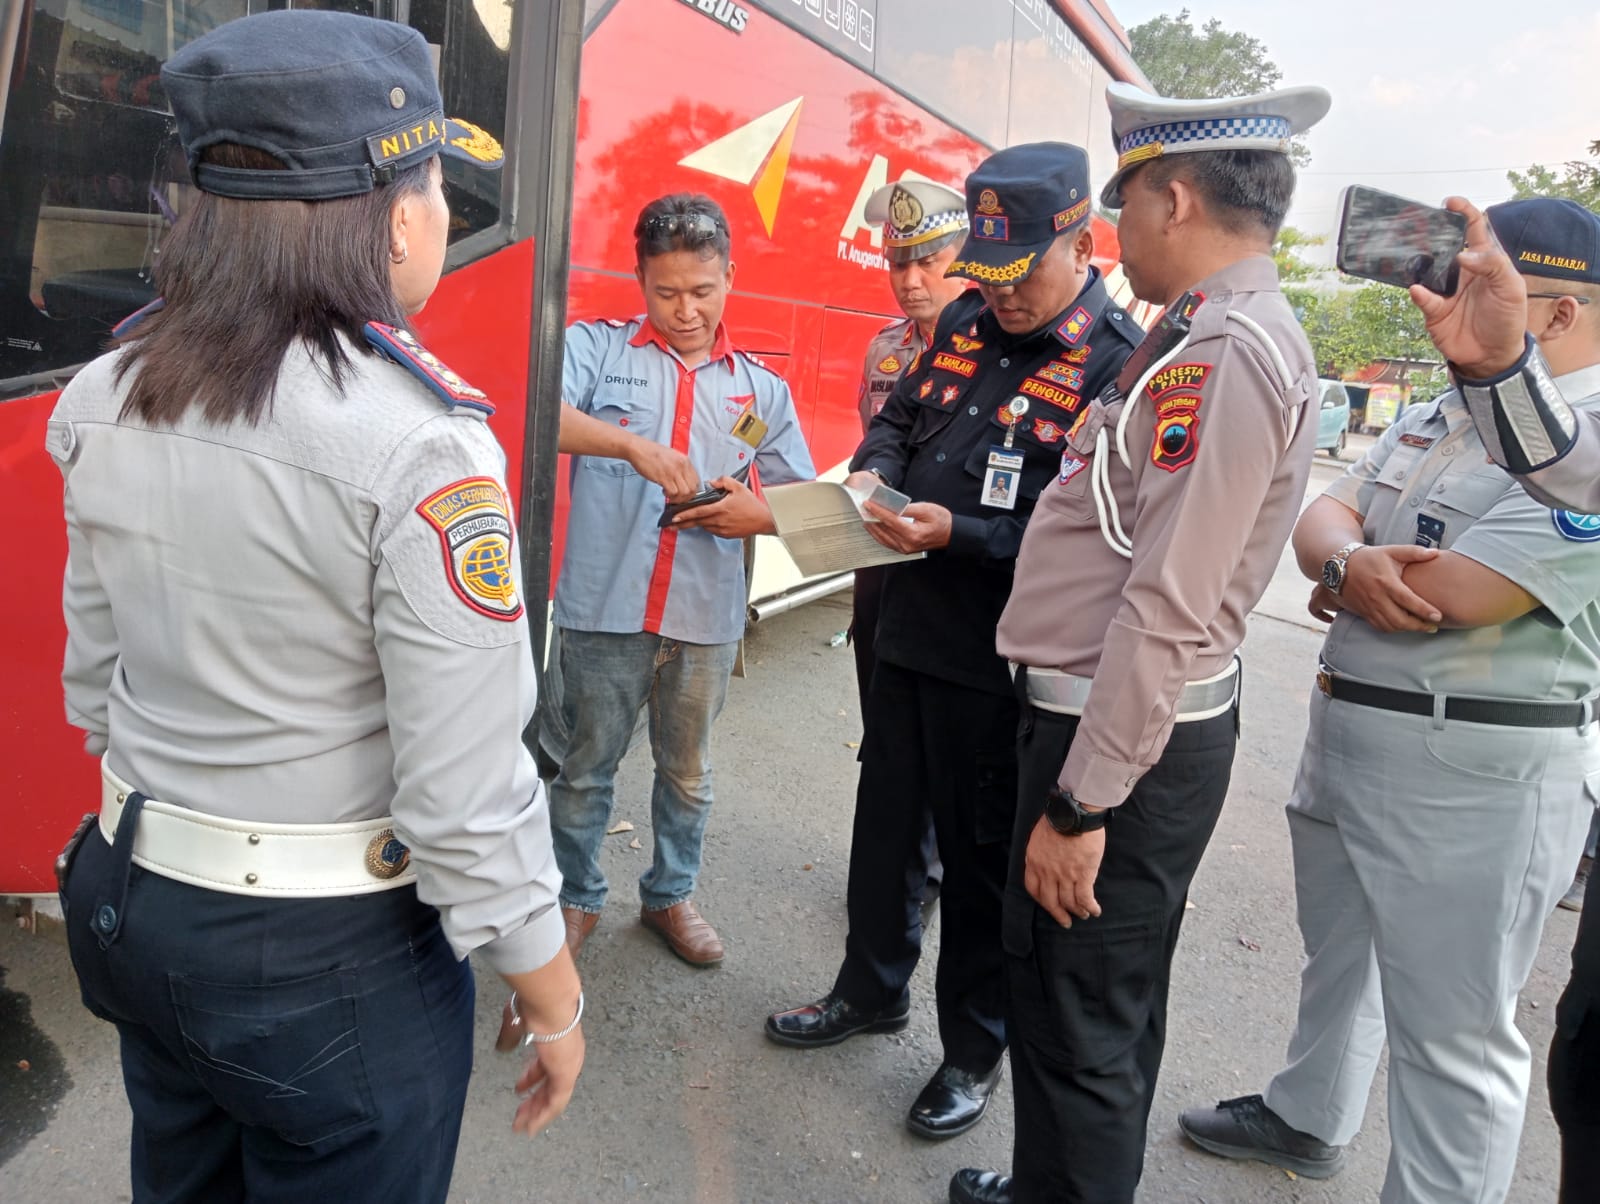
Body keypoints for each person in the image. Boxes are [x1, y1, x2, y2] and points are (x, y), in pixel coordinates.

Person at [47, 12, 583, 1201]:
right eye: (438, 183)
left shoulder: (101, 389)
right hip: (326, 962)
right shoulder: (420, 447)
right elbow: (461, 795)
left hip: (136, 902)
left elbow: (98, 682)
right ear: (394, 213)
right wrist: (549, 988)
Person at [1177, 197, 1600, 1204]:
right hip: (1352, 728)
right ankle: (1306, 1111)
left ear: (1556, 314)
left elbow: (1458, 595)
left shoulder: (1584, 439)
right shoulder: (1448, 405)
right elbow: (1322, 516)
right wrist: (1350, 561)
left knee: (1452, 1038)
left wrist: (1350, 565)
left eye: (1480, 283)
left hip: (1473, 773)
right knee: (1341, 957)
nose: (1443, 304)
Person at [952, 82, 1331, 1204]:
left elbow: (1169, 604)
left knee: (1078, 1026)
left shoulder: (1222, 355)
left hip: (1112, 746)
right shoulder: (1203, 333)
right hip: (1102, 729)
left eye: (1121, 203)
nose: (1113, 231)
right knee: (1089, 1005)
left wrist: (1082, 805)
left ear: (1174, 196)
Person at [766, 143, 1140, 1144]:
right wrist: (872, 477)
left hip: (1004, 659)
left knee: (980, 870)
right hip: (906, 628)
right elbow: (894, 420)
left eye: (1020, 271)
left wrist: (960, 532)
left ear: (1081, 242)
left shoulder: (1116, 359)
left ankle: (972, 1051)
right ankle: (868, 988)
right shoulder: (966, 323)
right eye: (989, 270)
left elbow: (1094, 538)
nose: (1000, 295)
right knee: (884, 833)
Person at [544, 194, 814, 964]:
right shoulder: (596, 351)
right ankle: (574, 896)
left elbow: (800, 499)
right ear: (640, 279)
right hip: (604, 608)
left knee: (688, 773)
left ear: (731, 276)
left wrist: (753, 516)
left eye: (703, 290)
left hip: (703, 615)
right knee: (586, 765)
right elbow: (536, 413)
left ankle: (670, 895)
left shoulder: (759, 389)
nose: (686, 310)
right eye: (666, 293)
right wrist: (632, 447)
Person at [1406, 196, 1600, 1204]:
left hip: (1502, 757)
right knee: (1587, 1071)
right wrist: (1491, 366)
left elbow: (1461, 592)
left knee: (1462, 1045)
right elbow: (1573, 471)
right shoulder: (1541, 415)